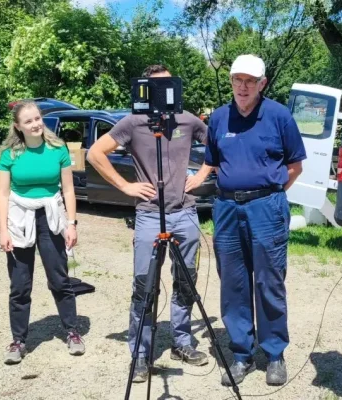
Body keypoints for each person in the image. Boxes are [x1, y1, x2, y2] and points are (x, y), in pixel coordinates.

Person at [87, 64, 211, 383]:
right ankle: (140, 354)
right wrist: (125, 186)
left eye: (167, 85)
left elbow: (217, 145)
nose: (162, 93)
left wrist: (201, 175)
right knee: (144, 285)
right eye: (156, 87)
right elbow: (95, 154)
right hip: (148, 215)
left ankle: (182, 342)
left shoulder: (187, 120)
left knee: (186, 281)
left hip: (184, 213)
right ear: (145, 89)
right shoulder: (133, 122)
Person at [188, 54, 306, 386]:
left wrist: (269, 195)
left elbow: (295, 166)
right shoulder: (219, 118)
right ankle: (241, 353)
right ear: (231, 81)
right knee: (233, 283)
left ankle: (274, 353)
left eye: (250, 81)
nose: (243, 86)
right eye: (237, 80)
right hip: (227, 208)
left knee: (270, 281)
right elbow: (213, 161)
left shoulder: (279, 116)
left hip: (267, 207)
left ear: (262, 84)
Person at [0, 100, 85, 365]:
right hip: (19, 218)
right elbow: (2, 194)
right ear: (18, 126)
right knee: (20, 284)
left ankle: (72, 332)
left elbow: (68, 189)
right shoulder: (9, 155)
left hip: (51, 217)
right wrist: (3, 230)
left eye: (37, 118)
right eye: (28, 121)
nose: (35, 124)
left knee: (59, 279)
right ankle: (18, 340)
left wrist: (71, 223)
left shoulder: (58, 149)